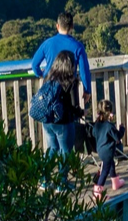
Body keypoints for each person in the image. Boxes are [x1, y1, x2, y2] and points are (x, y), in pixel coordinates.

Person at [31, 12, 92, 151]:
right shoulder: (77, 46)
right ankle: (68, 161)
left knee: (52, 146)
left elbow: (34, 65)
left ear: (57, 26)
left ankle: (49, 164)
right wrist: (87, 90)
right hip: (68, 92)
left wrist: (43, 75)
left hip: (49, 93)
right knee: (67, 141)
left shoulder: (47, 43)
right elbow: (84, 71)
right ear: (72, 26)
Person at [42, 51, 84, 168]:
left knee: (52, 149)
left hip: (47, 120)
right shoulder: (71, 81)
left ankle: (43, 175)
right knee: (65, 152)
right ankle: (62, 178)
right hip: (63, 122)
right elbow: (74, 106)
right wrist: (82, 112)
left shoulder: (48, 78)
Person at [91, 99, 125, 200]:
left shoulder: (97, 124)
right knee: (105, 171)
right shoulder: (109, 126)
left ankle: (115, 182)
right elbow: (117, 137)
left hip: (100, 150)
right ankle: (98, 192)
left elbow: (94, 133)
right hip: (108, 152)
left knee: (111, 164)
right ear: (110, 112)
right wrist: (122, 128)